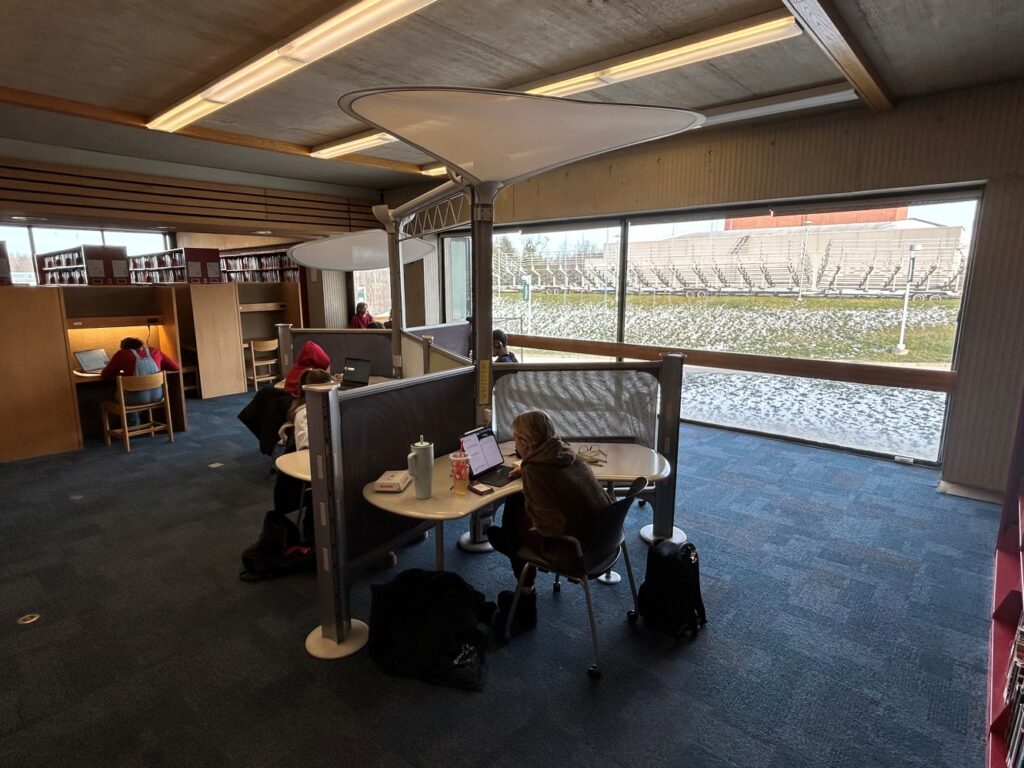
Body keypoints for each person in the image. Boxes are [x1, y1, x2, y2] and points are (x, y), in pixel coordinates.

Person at [486, 410, 613, 635]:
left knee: (511, 533)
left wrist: (529, 475)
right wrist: (527, 471)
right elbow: (555, 479)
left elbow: (550, 527)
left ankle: (525, 603)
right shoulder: (565, 452)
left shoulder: (535, 470)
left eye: (516, 438)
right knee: (516, 508)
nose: (514, 442)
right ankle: (522, 586)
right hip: (603, 539)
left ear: (525, 442)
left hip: (574, 552)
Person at [101, 337, 180, 413]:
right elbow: (176, 367)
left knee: (109, 393)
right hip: (158, 396)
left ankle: (132, 424)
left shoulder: (122, 354)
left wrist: (120, 373)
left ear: (124, 348)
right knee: (129, 391)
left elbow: (104, 375)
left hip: (134, 399)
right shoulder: (155, 351)